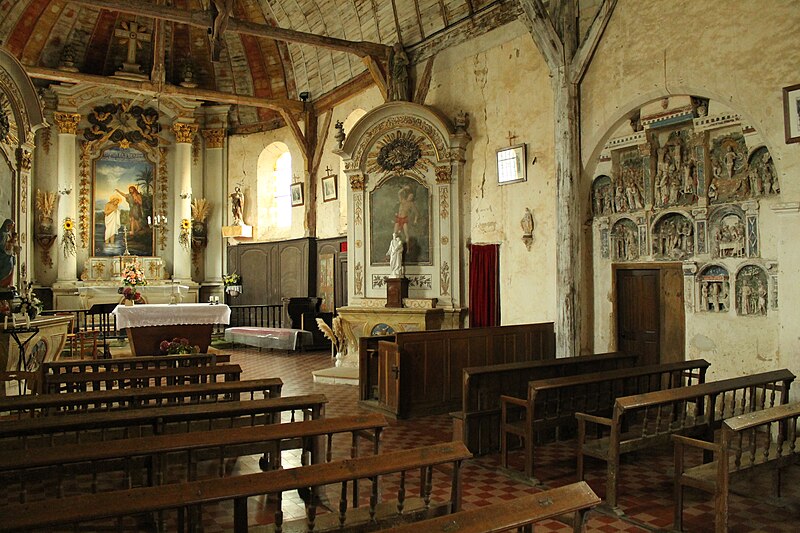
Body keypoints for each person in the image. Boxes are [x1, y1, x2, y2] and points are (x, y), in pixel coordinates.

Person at [0, 219, 20, 288]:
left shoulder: (8, 234)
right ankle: (2, 283)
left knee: (11, 266)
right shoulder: (2, 234)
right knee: (8, 266)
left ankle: (6, 284)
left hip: (8, 254)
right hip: (3, 255)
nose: (11, 228)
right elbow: (1, 245)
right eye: (10, 226)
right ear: (7, 225)